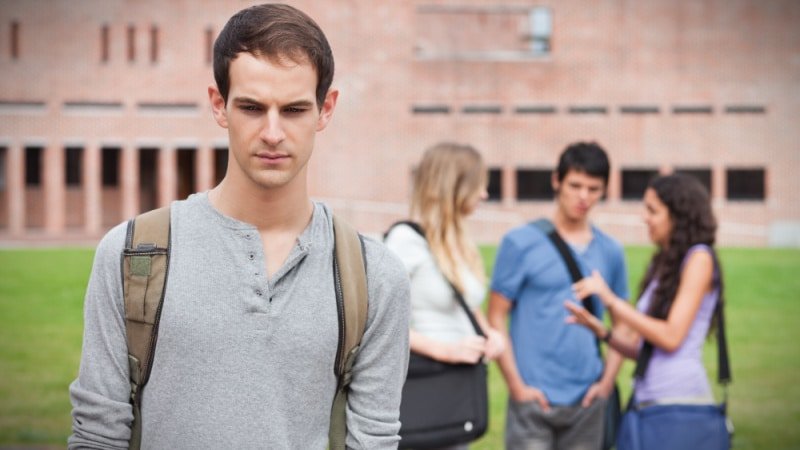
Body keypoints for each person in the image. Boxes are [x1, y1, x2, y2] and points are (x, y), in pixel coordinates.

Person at [68, 4, 410, 449]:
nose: (272, 132)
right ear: (219, 105)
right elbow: (97, 434)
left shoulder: (374, 276)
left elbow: (375, 440)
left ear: (325, 110)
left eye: (293, 109)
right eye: (251, 107)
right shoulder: (133, 253)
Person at [565, 173, 725, 449]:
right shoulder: (664, 263)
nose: (644, 218)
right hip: (646, 406)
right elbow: (645, 351)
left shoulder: (699, 258)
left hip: (679, 407)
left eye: (653, 210)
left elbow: (671, 337)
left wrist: (611, 301)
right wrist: (601, 331)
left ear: (678, 215)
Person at [488, 142, 629, 450]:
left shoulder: (611, 251)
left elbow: (623, 324)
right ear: (557, 181)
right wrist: (516, 387)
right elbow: (495, 315)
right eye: (575, 185)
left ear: (604, 190)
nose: (583, 197)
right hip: (533, 403)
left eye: (593, 188)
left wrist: (606, 385)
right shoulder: (519, 242)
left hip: (588, 402)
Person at [384, 142, 505, 449]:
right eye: (478, 186)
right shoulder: (406, 240)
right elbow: (379, 319)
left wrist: (489, 334)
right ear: (454, 186)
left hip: (460, 382)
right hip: (427, 381)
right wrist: (445, 350)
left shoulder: (457, 242)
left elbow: (464, 304)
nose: (484, 195)